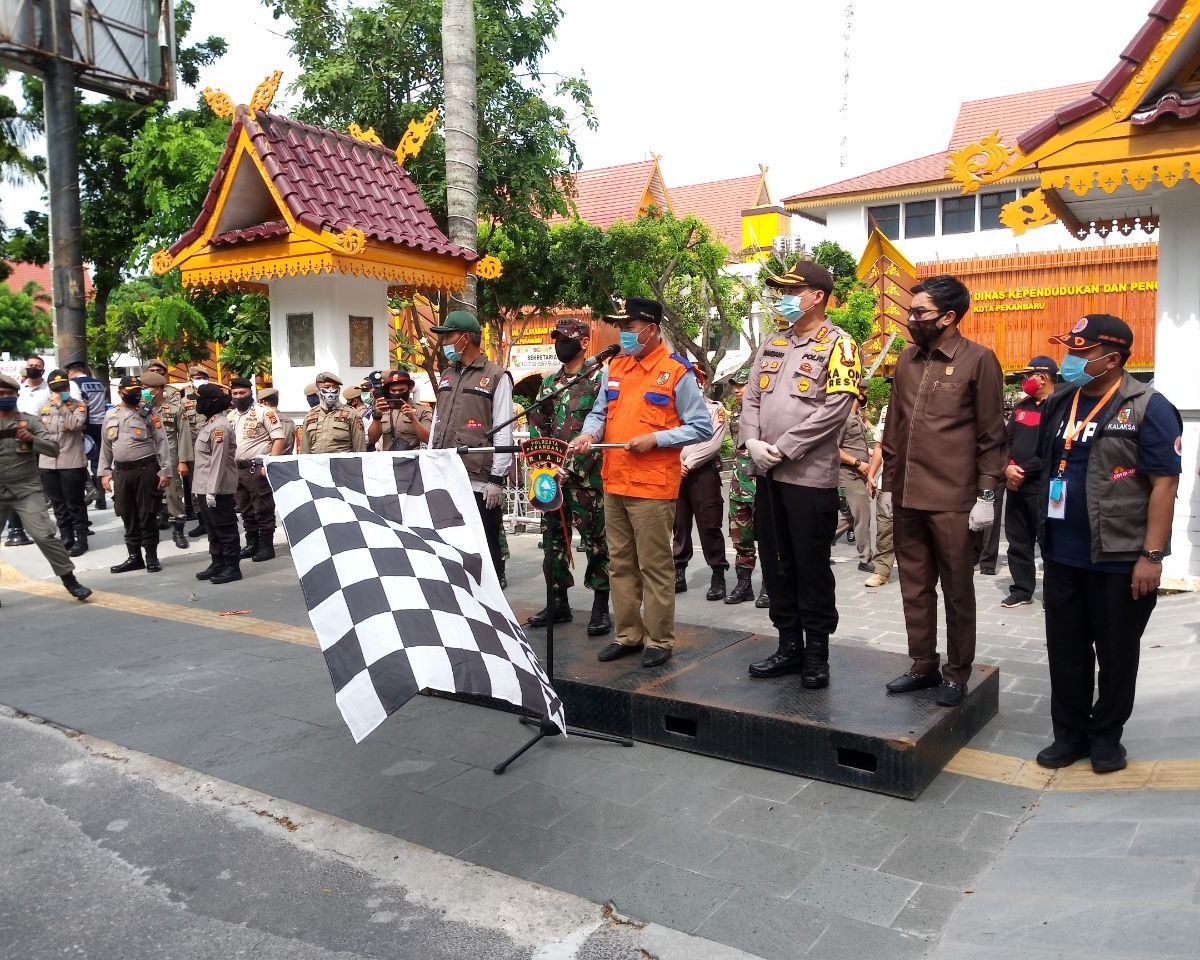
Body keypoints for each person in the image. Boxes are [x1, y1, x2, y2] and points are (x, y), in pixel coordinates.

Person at [1033, 314, 1181, 774]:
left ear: (1112, 359)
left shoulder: (1148, 406)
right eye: (1070, 350)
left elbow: (1164, 484)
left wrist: (1151, 556)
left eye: (1081, 353)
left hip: (1119, 557)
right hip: (1062, 552)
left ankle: (1106, 736)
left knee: (1116, 654)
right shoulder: (1062, 401)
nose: (1069, 360)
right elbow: (1049, 462)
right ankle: (1070, 735)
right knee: (1066, 651)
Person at [880, 275, 1006, 707]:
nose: (911, 319)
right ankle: (922, 665)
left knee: (957, 590)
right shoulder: (907, 360)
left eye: (920, 312)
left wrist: (986, 495)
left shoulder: (978, 360)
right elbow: (894, 427)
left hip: (953, 500)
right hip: (907, 496)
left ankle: (956, 673)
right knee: (914, 587)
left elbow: (992, 435)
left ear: (949, 317)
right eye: (910, 311)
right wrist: (887, 485)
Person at [569, 297, 712, 668]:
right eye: (621, 328)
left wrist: (657, 439)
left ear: (651, 329)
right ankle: (628, 635)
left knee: (654, 567)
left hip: (651, 486)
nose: (623, 335)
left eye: (629, 328)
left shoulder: (676, 371)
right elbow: (599, 413)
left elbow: (701, 426)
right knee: (620, 565)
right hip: (614, 481)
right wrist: (588, 434)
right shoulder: (615, 366)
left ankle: (659, 640)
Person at [738, 260, 863, 687]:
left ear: (817, 296)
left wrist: (785, 447)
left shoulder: (841, 345)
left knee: (811, 567)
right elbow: (751, 397)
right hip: (768, 475)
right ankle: (788, 646)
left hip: (809, 477)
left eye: (793, 291)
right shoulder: (773, 342)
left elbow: (836, 409)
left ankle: (816, 654)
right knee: (776, 565)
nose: (785, 299)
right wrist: (751, 442)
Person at [525, 318, 612, 633]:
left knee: (596, 544)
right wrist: (544, 466)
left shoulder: (599, 380)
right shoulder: (550, 383)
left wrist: (571, 468)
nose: (561, 344)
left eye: (567, 339)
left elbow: (603, 430)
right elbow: (537, 423)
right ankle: (557, 603)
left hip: (587, 479)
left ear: (584, 343)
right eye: (558, 339)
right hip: (552, 479)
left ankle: (600, 607)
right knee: (552, 542)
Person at [428, 311, 514, 585]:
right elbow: (437, 422)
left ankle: (492, 592)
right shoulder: (446, 375)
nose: (444, 342)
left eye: (449, 336)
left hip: (478, 478)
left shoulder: (497, 376)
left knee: (485, 541)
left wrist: (497, 479)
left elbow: (504, 429)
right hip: (445, 473)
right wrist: (430, 460)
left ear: (465, 338)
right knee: (450, 540)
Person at [0, 373, 92, 601]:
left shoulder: (30, 421)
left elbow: (53, 449)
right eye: (1, 394)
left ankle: (70, 580)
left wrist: (32, 439)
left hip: (26, 488)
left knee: (44, 535)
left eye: (9, 393)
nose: (5, 397)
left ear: (17, 395)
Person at [98, 375, 173, 574]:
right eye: (131, 392)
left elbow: (162, 442)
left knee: (147, 514)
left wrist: (165, 470)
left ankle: (151, 557)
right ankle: (134, 557)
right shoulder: (111, 415)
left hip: (145, 470)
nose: (136, 395)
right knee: (127, 513)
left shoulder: (148, 412)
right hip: (121, 472)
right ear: (120, 392)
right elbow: (105, 446)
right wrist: (104, 472)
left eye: (138, 392)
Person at [1001, 356, 1058, 608]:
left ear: (1042, 378)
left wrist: (1022, 470)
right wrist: (1007, 468)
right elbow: (1006, 441)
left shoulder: (1059, 406)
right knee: (1018, 540)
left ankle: (1054, 595)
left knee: (1049, 542)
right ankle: (1022, 590)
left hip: (1043, 486)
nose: (1024, 381)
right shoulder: (1022, 407)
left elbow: (1052, 449)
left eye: (1028, 376)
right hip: (1015, 485)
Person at [672, 368, 730, 600]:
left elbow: (713, 443)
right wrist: (675, 463)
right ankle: (679, 572)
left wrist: (688, 463)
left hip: (702, 472)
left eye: (696, 379)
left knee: (709, 523)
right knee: (679, 524)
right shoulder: (673, 408)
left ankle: (718, 573)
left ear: (703, 383)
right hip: (676, 471)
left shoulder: (715, 409)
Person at [229, 377, 287, 563]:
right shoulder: (231, 416)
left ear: (250, 392)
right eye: (235, 393)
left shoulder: (264, 412)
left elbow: (278, 439)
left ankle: (266, 546)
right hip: (238, 468)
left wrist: (269, 464)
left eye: (242, 393)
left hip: (257, 467)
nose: (239, 396)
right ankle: (252, 543)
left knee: (263, 508)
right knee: (245, 509)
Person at [724, 367, 768, 606]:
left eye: (742, 385)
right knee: (741, 538)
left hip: (762, 483)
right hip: (739, 485)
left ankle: (770, 586)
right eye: (735, 385)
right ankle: (744, 585)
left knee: (769, 539)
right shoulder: (735, 414)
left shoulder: (767, 412)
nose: (737, 390)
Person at [191, 383, 243, 585]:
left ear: (212, 402)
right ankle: (218, 562)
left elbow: (218, 461)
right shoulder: (210, 424)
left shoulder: (220, 426)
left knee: (225, 527)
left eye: (200, 401)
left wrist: (212, 491)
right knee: (212, 528)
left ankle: (232, 567)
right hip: (204, 486)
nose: (198, 405)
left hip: (217, 488)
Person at [36, 370, 91, 557]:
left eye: (63, 387)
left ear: (68, 387)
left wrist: (61, 405)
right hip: (48, 462)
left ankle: (81, 539)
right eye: (56, 389)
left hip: (71, 461)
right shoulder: (43, 408)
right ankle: (66, 537)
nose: (60, 391)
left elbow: (75, 424)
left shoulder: (78, 405)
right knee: (58, 504)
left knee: (75, 503)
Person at [141, 371, 194, 550]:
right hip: (147, 458)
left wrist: (183, 461)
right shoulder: (141, 410)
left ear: (158, 389)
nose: (144, 392)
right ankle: (150, 527)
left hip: (169, 458)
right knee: (147, 494)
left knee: (173, 494)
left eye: (147, 388)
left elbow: (183, 436)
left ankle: (178, 530)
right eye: (143, 388)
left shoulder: (175, 409)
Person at [833, 400, 874, 572]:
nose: (866, 394)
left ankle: (817, 546)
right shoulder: (843, 417)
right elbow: (833, 448)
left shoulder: (857, 415)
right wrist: (857, 462)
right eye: (863, 390)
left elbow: (859, 445)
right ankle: (865, 558)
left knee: (848, 517)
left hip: (859, 473)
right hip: (848, 472)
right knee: (863, 514)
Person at [66, 360, 109, 509]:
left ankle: (90, 491)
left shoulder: (74, 384)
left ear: (71, 372)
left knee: (79, 461)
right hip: (101, 424)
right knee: (98, 462)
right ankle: (101, 499)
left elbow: (76, 405)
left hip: (85, 426)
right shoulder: (98, 383)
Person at [864, 400, 895, 587]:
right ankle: (882, 571)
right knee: (885, 527)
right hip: (888, 481)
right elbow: (879, 446)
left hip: (918, 481)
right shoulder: (887, 410)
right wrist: (871, 474)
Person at [299, 372, 367, 454]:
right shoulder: (310, 415)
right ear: (318, 391)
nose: (330, 391)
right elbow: (304, 451)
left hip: (342, 462)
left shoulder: (351, 414)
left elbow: (360, 449)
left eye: (335, 387)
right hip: (317, 461)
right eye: (326, 387)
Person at [368, 370, 432, 451]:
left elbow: (428, 439)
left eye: (401, 390)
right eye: (393, 390)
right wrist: (377, 417)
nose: (397, 393)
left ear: (410, 388)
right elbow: (372, 439)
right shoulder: (383, 408)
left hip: (411, 457)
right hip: (388, 457)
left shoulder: (421, 410)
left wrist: (413, 418)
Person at [257, 388, 297, 453]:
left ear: (263, 402)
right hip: (287, 458)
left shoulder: (261, 419)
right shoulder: (289, 421)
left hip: (269, 457)